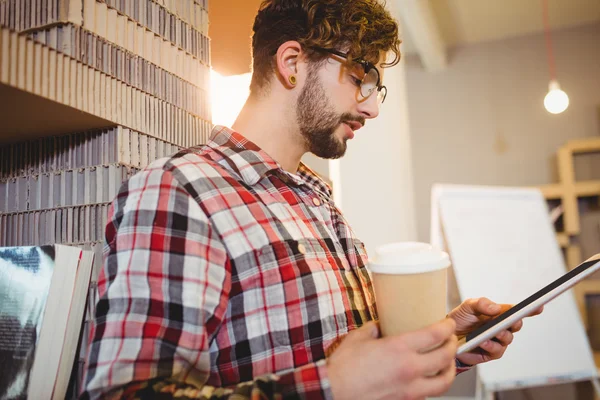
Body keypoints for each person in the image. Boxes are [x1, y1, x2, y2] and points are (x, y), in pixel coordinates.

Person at [80, 1, 541, 399]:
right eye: (360, 76)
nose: (371, 107)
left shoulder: (315, 195)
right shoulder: (181, 190)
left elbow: (345, 359)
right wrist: (332, 388)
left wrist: (444, 337)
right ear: (293, 62)